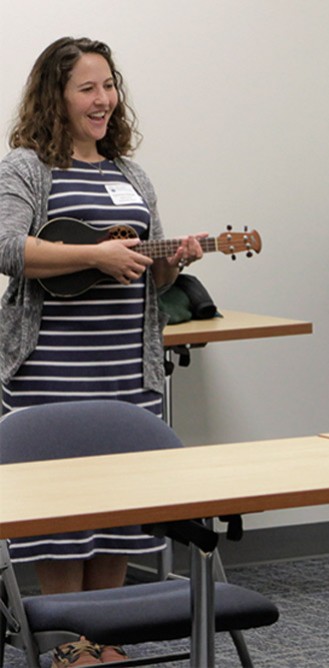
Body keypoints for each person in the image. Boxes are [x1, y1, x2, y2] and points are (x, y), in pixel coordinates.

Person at [0, 37, 203, 667]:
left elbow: (144, 275)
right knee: (64, 514)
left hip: (125, 366)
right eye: (88, 88)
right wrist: (94, 254)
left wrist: (169, 263)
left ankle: (106, 638)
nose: (104, 99)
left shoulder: (129, 174)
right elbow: (7, 248)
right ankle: (67, 645)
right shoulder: (27, 168)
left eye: (109, 86)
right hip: (52, 369)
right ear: (55, 96)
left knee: (118, 505)